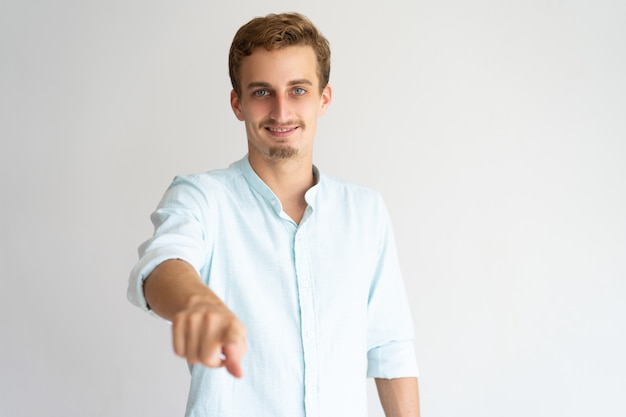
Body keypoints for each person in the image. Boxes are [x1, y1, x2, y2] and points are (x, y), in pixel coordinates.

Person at [128, 12, 420, 417]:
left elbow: (390, 348)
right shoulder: (201, 197)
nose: (281, 112)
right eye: (262, 92)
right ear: (238, 103)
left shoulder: (364, 211)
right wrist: (197, 303)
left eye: (297, 90)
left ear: (324, 98)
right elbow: (163, 265)